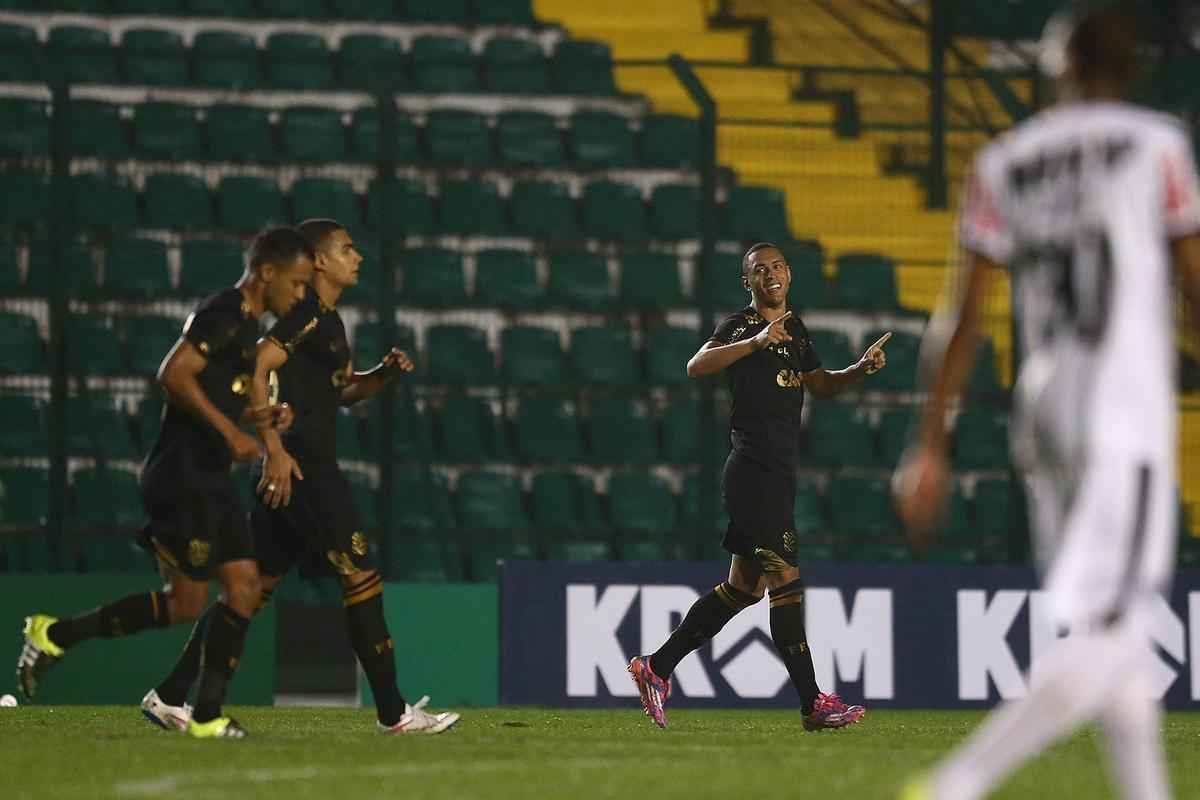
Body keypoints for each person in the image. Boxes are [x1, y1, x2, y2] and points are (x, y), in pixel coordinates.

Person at [893, 8, 1200, 799]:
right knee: (1113, 636)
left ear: (1055, 66)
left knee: (1115, 642)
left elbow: (961, 316)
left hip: (1044, 410)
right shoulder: (1156, 143)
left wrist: (930, 441)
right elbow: (1194, 280)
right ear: (1130, 68)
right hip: (1122, 409)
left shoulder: (1006, 160)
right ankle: (958, 784)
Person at [143, 218, 459, 735]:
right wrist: (274, 449)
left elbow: (340, 391)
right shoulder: (306, 312)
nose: (357, 257)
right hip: (303, 469)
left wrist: (381, 375)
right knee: (359, 576)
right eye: (347, 249)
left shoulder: (327, 320)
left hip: (297, 471)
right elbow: (259, 364)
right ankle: (394, 713)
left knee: (249, 592)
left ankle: (171, 695)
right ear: (319, 261)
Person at [17, 227, 314, 739]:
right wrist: (233, 435)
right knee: (186, 604)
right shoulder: (224, 312)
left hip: (210, 474)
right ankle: (55, 634)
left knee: (242, 587)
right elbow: (173, 374)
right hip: (182, 474)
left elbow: (216, 394)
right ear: (268, 272)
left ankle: (206, 714)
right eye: (298, 282)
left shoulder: (246, 328)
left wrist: (258, 418)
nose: (301, 294)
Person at [628, 241, 890, 730]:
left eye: (776, 267)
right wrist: (754, 343)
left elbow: (820, 383)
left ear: (788, 274)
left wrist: (857, 370)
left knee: (741, 589)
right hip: (753, 472)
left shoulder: (794, 330)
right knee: (785, 583)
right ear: (746, 282)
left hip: (777, 474)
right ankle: (813, 703)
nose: (769, 274)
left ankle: (655, 668)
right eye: (758, 270)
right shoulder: (743, 327)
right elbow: (696, 365)